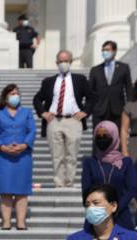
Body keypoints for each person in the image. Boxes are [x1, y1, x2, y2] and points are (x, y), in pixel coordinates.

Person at [33, 50, 91, 188]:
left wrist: (85, 112)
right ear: (56, 63)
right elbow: (37, 98)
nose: (63, 63)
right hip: (54, 121)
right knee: (57, 155)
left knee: (71, 155)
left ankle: (69, 182)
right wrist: (43, 113)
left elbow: (92, 97)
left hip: (73, 120)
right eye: (60, 61)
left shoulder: (80, 79)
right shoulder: (49, 81)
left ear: (70, 62)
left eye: (66, 61)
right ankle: (59, 183)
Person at [0, 84, 36, 230]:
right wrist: (2, 147)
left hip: (23, 156)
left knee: (22, 190)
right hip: (3, 157)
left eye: (17, 93)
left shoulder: (26, 112)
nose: (15, 96)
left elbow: (32, 130)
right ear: (5, 96)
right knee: (5, 189)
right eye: (12, 93)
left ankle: (21, 222)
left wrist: (24, 145)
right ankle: (6, 221)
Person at [81, 121, 137, 230]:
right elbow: (86, 189)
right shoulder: (90, 162)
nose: (102, 138)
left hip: (120, 214)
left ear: (114, 136)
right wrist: (98, 207)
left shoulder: (125, 162)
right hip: (96, 215)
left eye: (106, 136)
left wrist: (115, 207)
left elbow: (132, 188)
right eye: (99, 136)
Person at [88, 40, 134, 130]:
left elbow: (128, 87)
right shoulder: (95, 70)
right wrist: (90, 109)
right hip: (99, 110)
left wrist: (129, 105)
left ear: (114, 51)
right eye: (103, 50)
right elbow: (90, 91)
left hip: (118, 109)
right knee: (99, 138)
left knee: (117, 137)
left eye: (108, 50)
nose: (105, 52)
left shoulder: (124, 67)